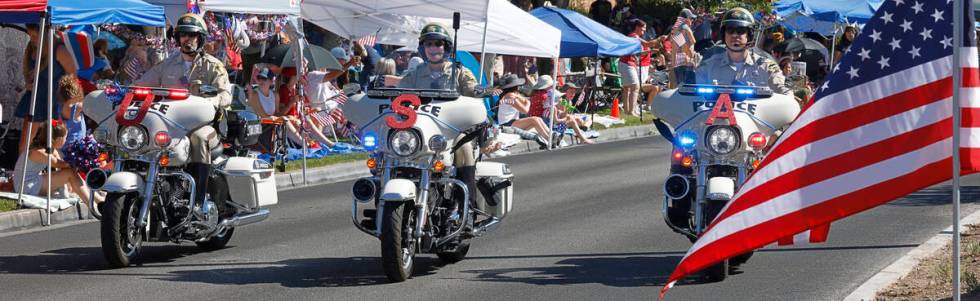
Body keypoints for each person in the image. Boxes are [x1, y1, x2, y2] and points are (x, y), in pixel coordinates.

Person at [135, 13, 232, 212]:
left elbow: (226, 96)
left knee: (198, 139)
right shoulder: (167, 65)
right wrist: (124, 92)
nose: (187, 39)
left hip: (205, 125)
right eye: (183, 35)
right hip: (171, 124)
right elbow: (142, 84)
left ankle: (198, 202)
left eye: (192, 35)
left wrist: (211, 102)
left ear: (201, 38)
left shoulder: (213, 66)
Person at [397, 23, 488, 224]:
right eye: (429, 43)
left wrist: (481, 90)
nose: (433, 48)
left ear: (446, 47)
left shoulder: (459, 72)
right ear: (423, 48)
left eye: (438, 43)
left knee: (464, 148)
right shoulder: (414, 74)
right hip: (422, 131)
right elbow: (399, 95)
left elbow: (473, 91)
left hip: (453, 131)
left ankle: (465, 205)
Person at [695, 8, 790, 95]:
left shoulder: (767, 68)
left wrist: (790, 97)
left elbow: (783, 92)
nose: (735, 35)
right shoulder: (708, 67)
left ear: (750, 35)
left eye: (740, 30)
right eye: (730, 30)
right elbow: (690, 96)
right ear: (724, 34)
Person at [16, 24, 78, 154]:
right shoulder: (33, 48)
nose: (31, 39)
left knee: (54, 142)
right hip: (35, 99)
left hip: (54, 101)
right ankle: (20, 171)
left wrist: (68, 102)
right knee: (26, 141)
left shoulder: (59, 50)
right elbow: (31, 72)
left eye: (34, 35)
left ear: (45, 34)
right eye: (30, 35)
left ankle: (52, 170)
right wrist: (28, 83)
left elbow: (73, 77)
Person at [14, 122, 104, 206]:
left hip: (33, 180)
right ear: (58, 139)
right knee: (70, 173)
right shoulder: (39, 152)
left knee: (70, 173)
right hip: (25, 186)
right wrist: (82, 158)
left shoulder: (49, 149)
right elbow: (63, 165)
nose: (66, 140)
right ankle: (95, 203)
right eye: (65, 137)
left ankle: (96, 199)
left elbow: (63, 167)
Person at [529, 75, 594, 145]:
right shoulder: (549, 104)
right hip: (550, 127)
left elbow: (561, 114)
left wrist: (566, 112)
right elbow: (557, 120)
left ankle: (582, 134)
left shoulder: (540, 97)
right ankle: (582, 138)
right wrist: (565, 117)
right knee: (572, 120)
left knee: (573, 118)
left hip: (545, 123)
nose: (560, 99)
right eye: (559, 98)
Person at [496, 73, 552, 149]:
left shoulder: (513, 94)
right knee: (534, 119)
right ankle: (549, 139)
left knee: (537, 119)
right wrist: (528, 102)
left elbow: (525, 101)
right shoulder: (510, 96)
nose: (519, 87)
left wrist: (524, 100)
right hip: (507, 124)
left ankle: (550, 136)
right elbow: (525, 110)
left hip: (513, 122)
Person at [619, 19, 660, 117]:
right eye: (643, 28)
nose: (644, 30)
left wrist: (650, 52)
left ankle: (627, 111)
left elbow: (638, 53)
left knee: (627, 88)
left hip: (626, 63)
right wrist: (660, 39)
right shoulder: (634, 36)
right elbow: (647, 44)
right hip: (627, 63)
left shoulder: (632, 37)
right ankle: (631, 111)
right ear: (637, 27)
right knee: (635, 87)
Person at [669, 9, 698, 88]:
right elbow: (688, 46)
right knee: (686, 90)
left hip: (677, 64)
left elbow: (674, 49)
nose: (692, 21)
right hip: (684, 64)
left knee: (676, 90)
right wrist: (692, 58)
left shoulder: (675, 28)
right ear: (687, 19)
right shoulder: (684, 28)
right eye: (691, 19)